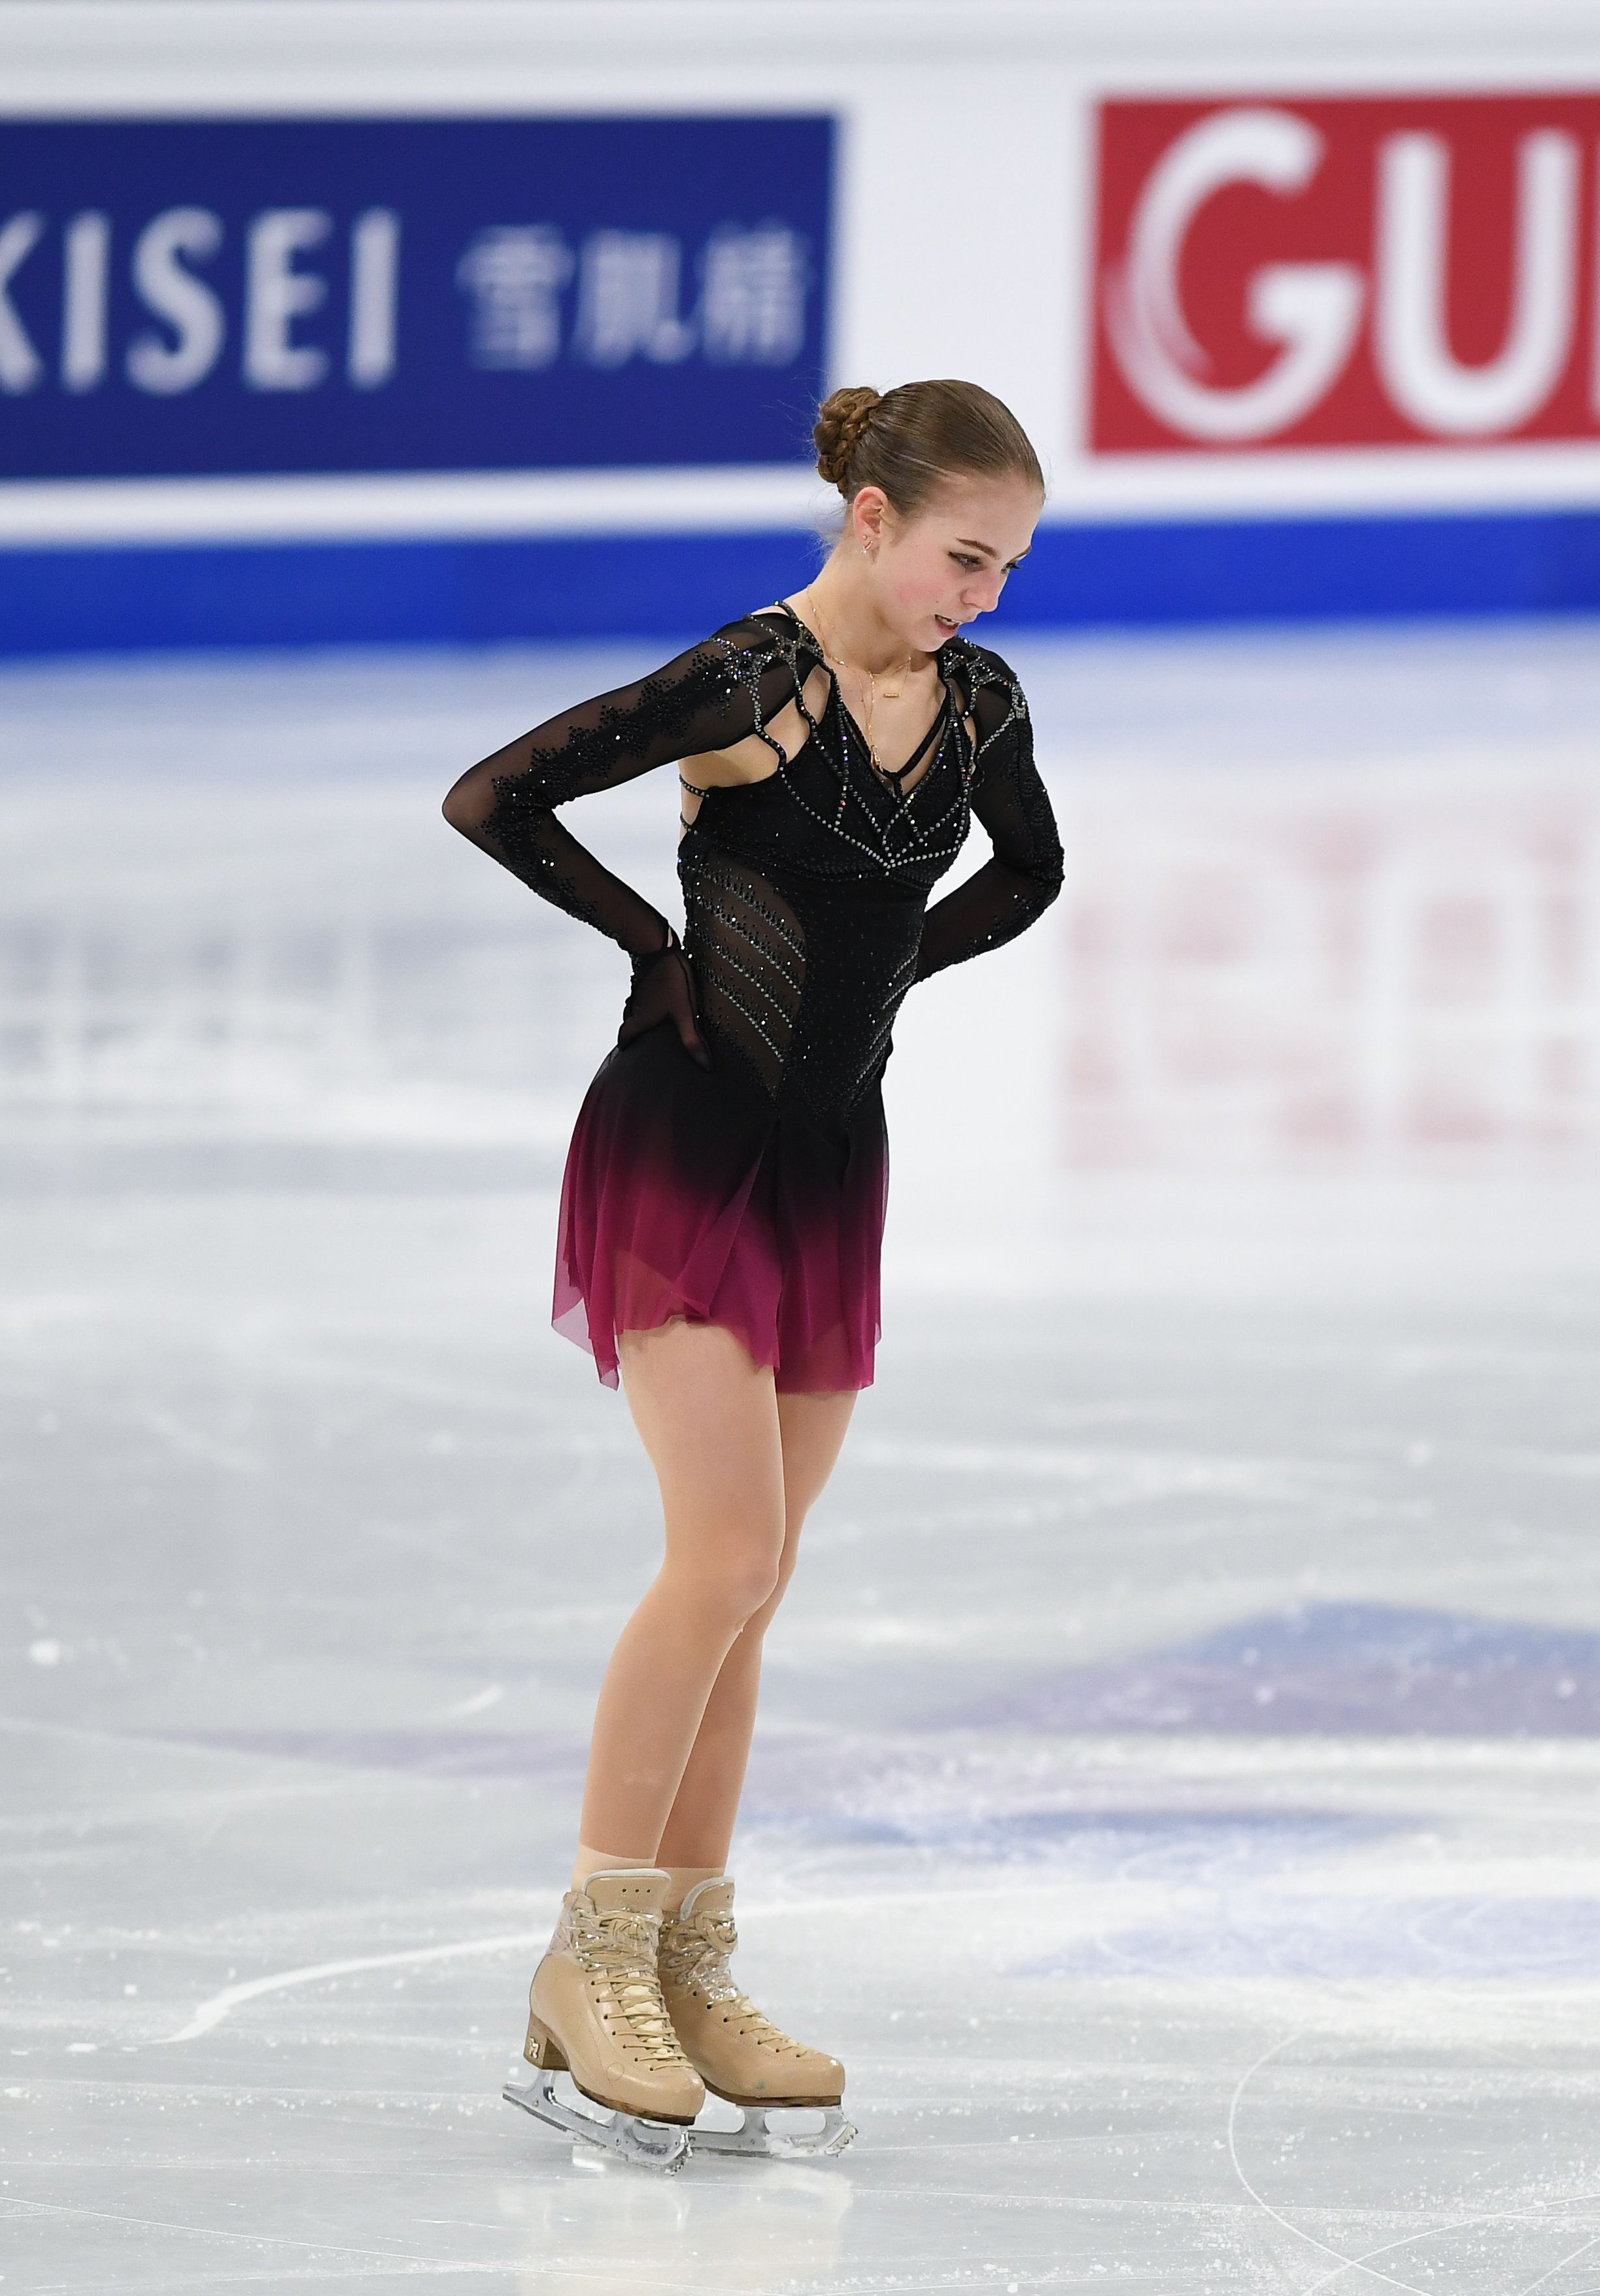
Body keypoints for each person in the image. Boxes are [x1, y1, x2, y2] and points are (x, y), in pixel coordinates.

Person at [443, 380, 1061, 2169]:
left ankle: (691, 1970)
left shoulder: (977, 701)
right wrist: (652, 944)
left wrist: (888, 977)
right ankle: (589, 1959)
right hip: (687, 1140)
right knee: (719, 1554)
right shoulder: (749, 679)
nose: (983, 596)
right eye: (964, 557)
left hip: (831, 1161)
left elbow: (1031, 872)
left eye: (1008, 570)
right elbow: (497, 796)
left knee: (759, 1582)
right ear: (872, 518)